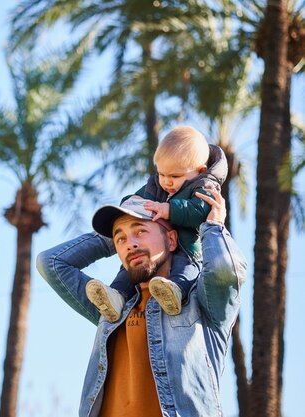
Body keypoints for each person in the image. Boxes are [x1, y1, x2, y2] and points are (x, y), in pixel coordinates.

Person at [36, 189, 246, 417]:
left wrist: (212, 227)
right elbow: (51, 263)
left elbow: (226, 271)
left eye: (140, 231)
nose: (130, 244)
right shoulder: (111, 307)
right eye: (121, 239)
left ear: (172, 239)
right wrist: (115, 233)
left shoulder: (200, 302)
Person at [86, 126, 228, 321]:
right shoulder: (157, 184)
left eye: (175, 176)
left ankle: (175, 293)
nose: (167, 182)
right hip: (159, 246)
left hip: (187, 248)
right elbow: (138, 200)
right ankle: (115, 296)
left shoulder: (205, 185)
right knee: (127, 270)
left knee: (185, 270)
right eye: (162, 174)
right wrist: (129, 203)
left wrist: (169, 210)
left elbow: (199, 211)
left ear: (199, 171)